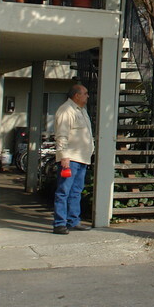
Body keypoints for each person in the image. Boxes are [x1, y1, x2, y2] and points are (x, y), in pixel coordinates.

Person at [52, 83, 94, 234]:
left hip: (82, 158)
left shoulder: (81, 111)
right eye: (85, 93)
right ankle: (59, 223)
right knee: (64, 190)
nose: (87, 96)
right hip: (70, 158)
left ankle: (73, 220)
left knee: (76, 191)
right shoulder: (66, 110)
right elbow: (61, 135)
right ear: (77, 95)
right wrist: (63, 156)